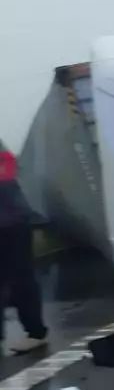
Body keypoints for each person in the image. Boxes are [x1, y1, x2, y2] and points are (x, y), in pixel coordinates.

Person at [0, 149, 48, 354]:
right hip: (11, 218)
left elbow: (8, 169)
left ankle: (36, 332)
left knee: (21, 278)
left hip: (11, 222)